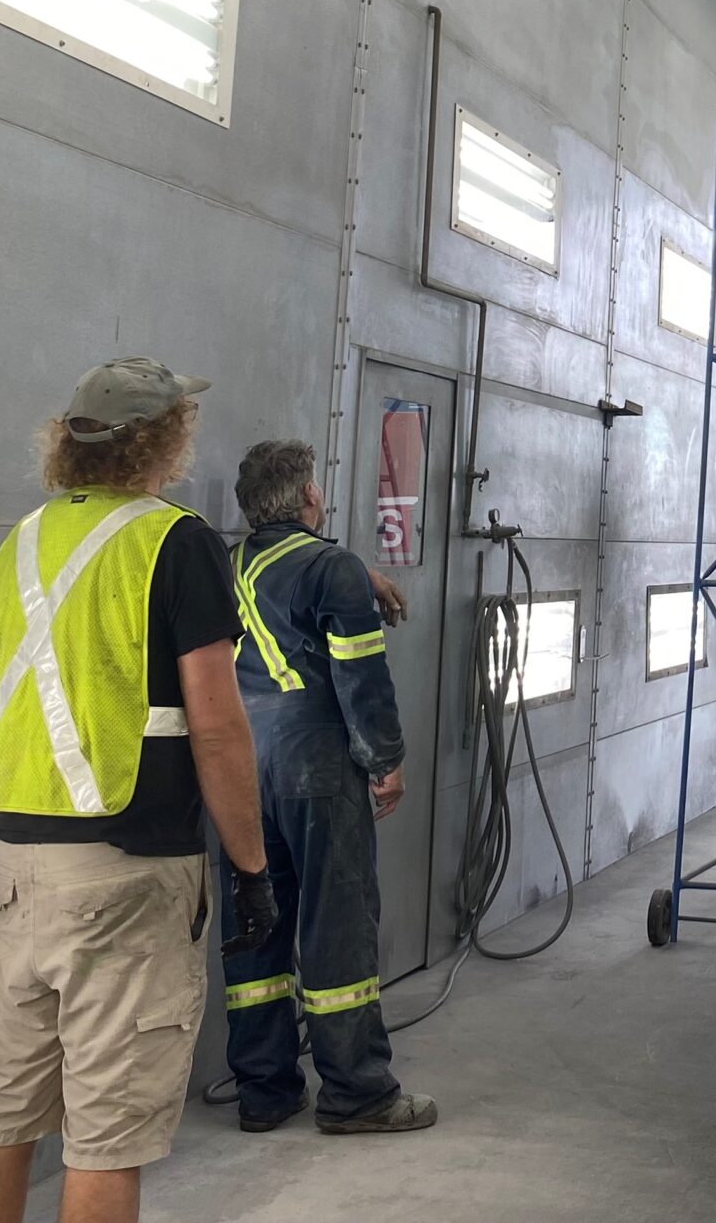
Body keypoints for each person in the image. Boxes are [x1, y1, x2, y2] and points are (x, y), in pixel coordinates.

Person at [0, 359, 279, 1223]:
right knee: (106, 1136)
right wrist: (250, 868)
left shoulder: (21, 542)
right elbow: (217, 726)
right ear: (165, 439)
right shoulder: (175, 541)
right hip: (127, 874)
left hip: (18, 867)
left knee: (1, 1114)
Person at [219, 439, 439, 1135]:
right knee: (336, 924)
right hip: (314, 765)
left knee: (256, 923)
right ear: (311, 495)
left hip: (239, 770)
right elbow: (361, 676)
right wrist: (385, 760)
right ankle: (356, 1094)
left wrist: (351, 569)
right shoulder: (331, 568)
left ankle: (265, 1091)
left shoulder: (223, 565)